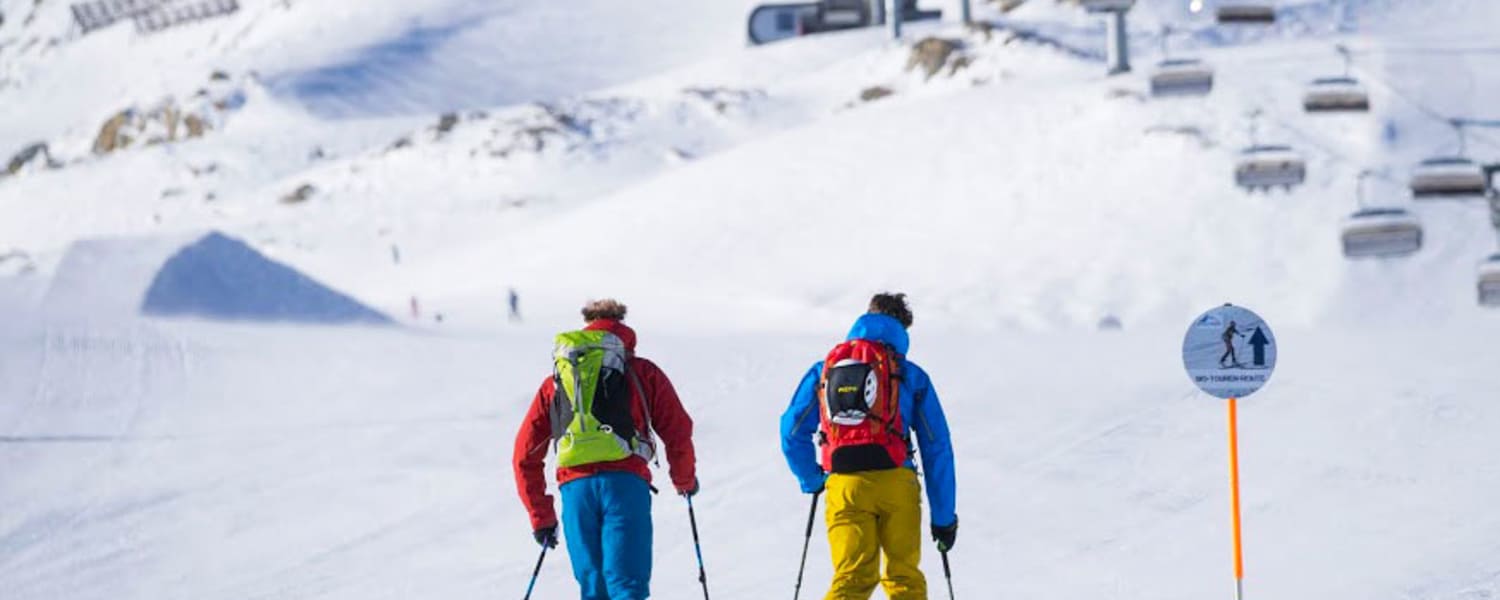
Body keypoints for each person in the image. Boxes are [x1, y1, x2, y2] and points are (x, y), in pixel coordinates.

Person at [513, 299, 698, 600]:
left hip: (575, 490)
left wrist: (541, 516)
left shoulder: (558, 381)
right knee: (627, 586)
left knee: (593, 589)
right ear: (622, 325)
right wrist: (684, 480)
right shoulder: (641, 371)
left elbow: (524, 453)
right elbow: (677, 430)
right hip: (625, 485)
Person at [780, 293, 957, 600]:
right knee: (904, 579)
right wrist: (943, 519)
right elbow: (936, 447)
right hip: (896, 483)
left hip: (845, 484)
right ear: (902, 330)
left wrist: (811, 479)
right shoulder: (909, 374)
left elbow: (791, 431)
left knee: (852, 578)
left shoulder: (824, 370)